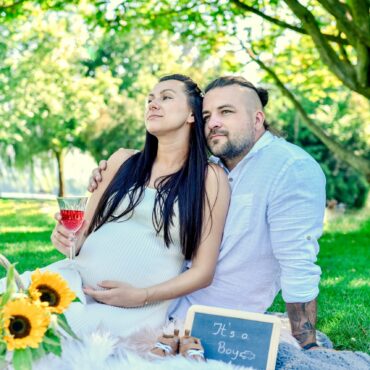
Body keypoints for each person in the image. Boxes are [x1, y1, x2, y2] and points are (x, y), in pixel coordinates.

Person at [89, 76, 326, 350]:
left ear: (257, 119)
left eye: (226, 112)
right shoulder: (209, 168)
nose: (213, 122)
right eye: (207, 115)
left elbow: (298, 264)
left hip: (213, 324)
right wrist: (107, 179)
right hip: (158, 306)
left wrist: (307, 345)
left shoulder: (290, 168)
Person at [9, 74, 230, 337]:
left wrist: (141, 296)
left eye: (166, 97)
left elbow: (203, 272)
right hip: (70, 283)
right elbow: (79, 238)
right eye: (150, 99)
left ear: (192, 115)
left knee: (46, 341)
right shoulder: (121, 161)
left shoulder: (209, 178)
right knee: (11, 312)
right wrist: (66, 238)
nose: (153, 104)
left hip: (132, 310)